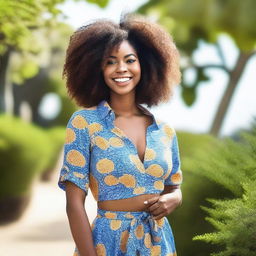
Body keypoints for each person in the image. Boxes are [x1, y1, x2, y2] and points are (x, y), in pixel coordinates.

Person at [58, 13, 183, 256]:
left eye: (130, 59)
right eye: (110, 62)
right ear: (97, 68)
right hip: (109, 243)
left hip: (159, 243)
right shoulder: (85, 123)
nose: (121, 68)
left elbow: (173, 187)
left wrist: (175, 199)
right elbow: (74, 204)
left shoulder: (165, 131)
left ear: (144, 65)